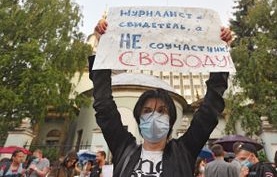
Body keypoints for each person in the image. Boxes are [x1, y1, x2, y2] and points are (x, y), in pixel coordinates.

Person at [89, 19, 232, 176]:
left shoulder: (184, 150)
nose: (154, 116)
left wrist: (220, 53)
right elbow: (104, 106)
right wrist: (101, 49)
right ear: (138, 117)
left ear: (171, 119)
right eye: (147, 110)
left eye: (162, 111)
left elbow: (209, 111)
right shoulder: (124, 148)